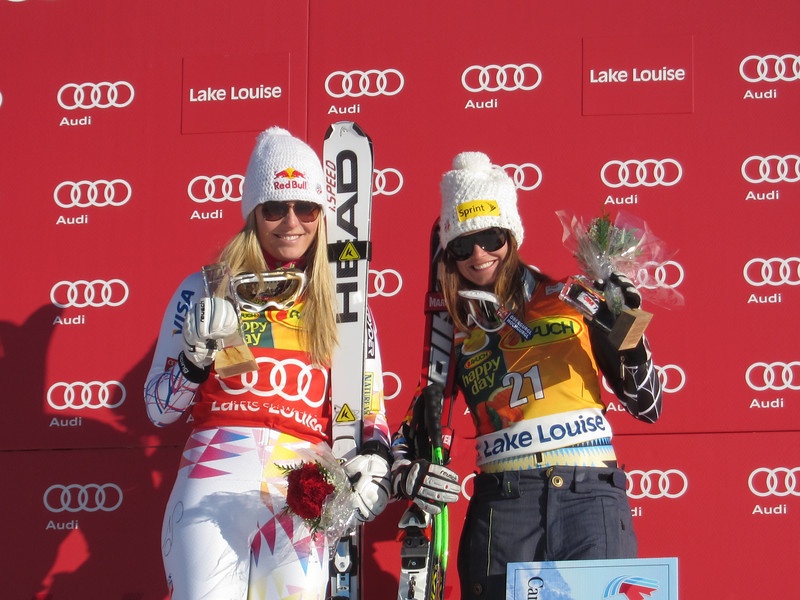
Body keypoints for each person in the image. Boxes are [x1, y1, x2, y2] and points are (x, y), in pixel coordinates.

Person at [391, 151, 663, 599]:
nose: (478, 255)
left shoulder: (572, 297)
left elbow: (648, 405)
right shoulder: (457, 327)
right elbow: (417, 420)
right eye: (462, 245)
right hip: (505, 505)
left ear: (512, 237)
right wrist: (405, 467)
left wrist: (627, 323)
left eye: (492, 237)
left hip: (587, 498)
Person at [144, 126, 392, 600]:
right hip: (213, 478)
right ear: (253, 214)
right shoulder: (204, 287)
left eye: (306, 207)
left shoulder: (347, 305)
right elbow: (159, 408)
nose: (290, 222)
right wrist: (195, 362)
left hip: (302, 488)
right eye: (275, 207)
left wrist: (376, 462)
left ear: (322, 214)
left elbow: (371, 413)